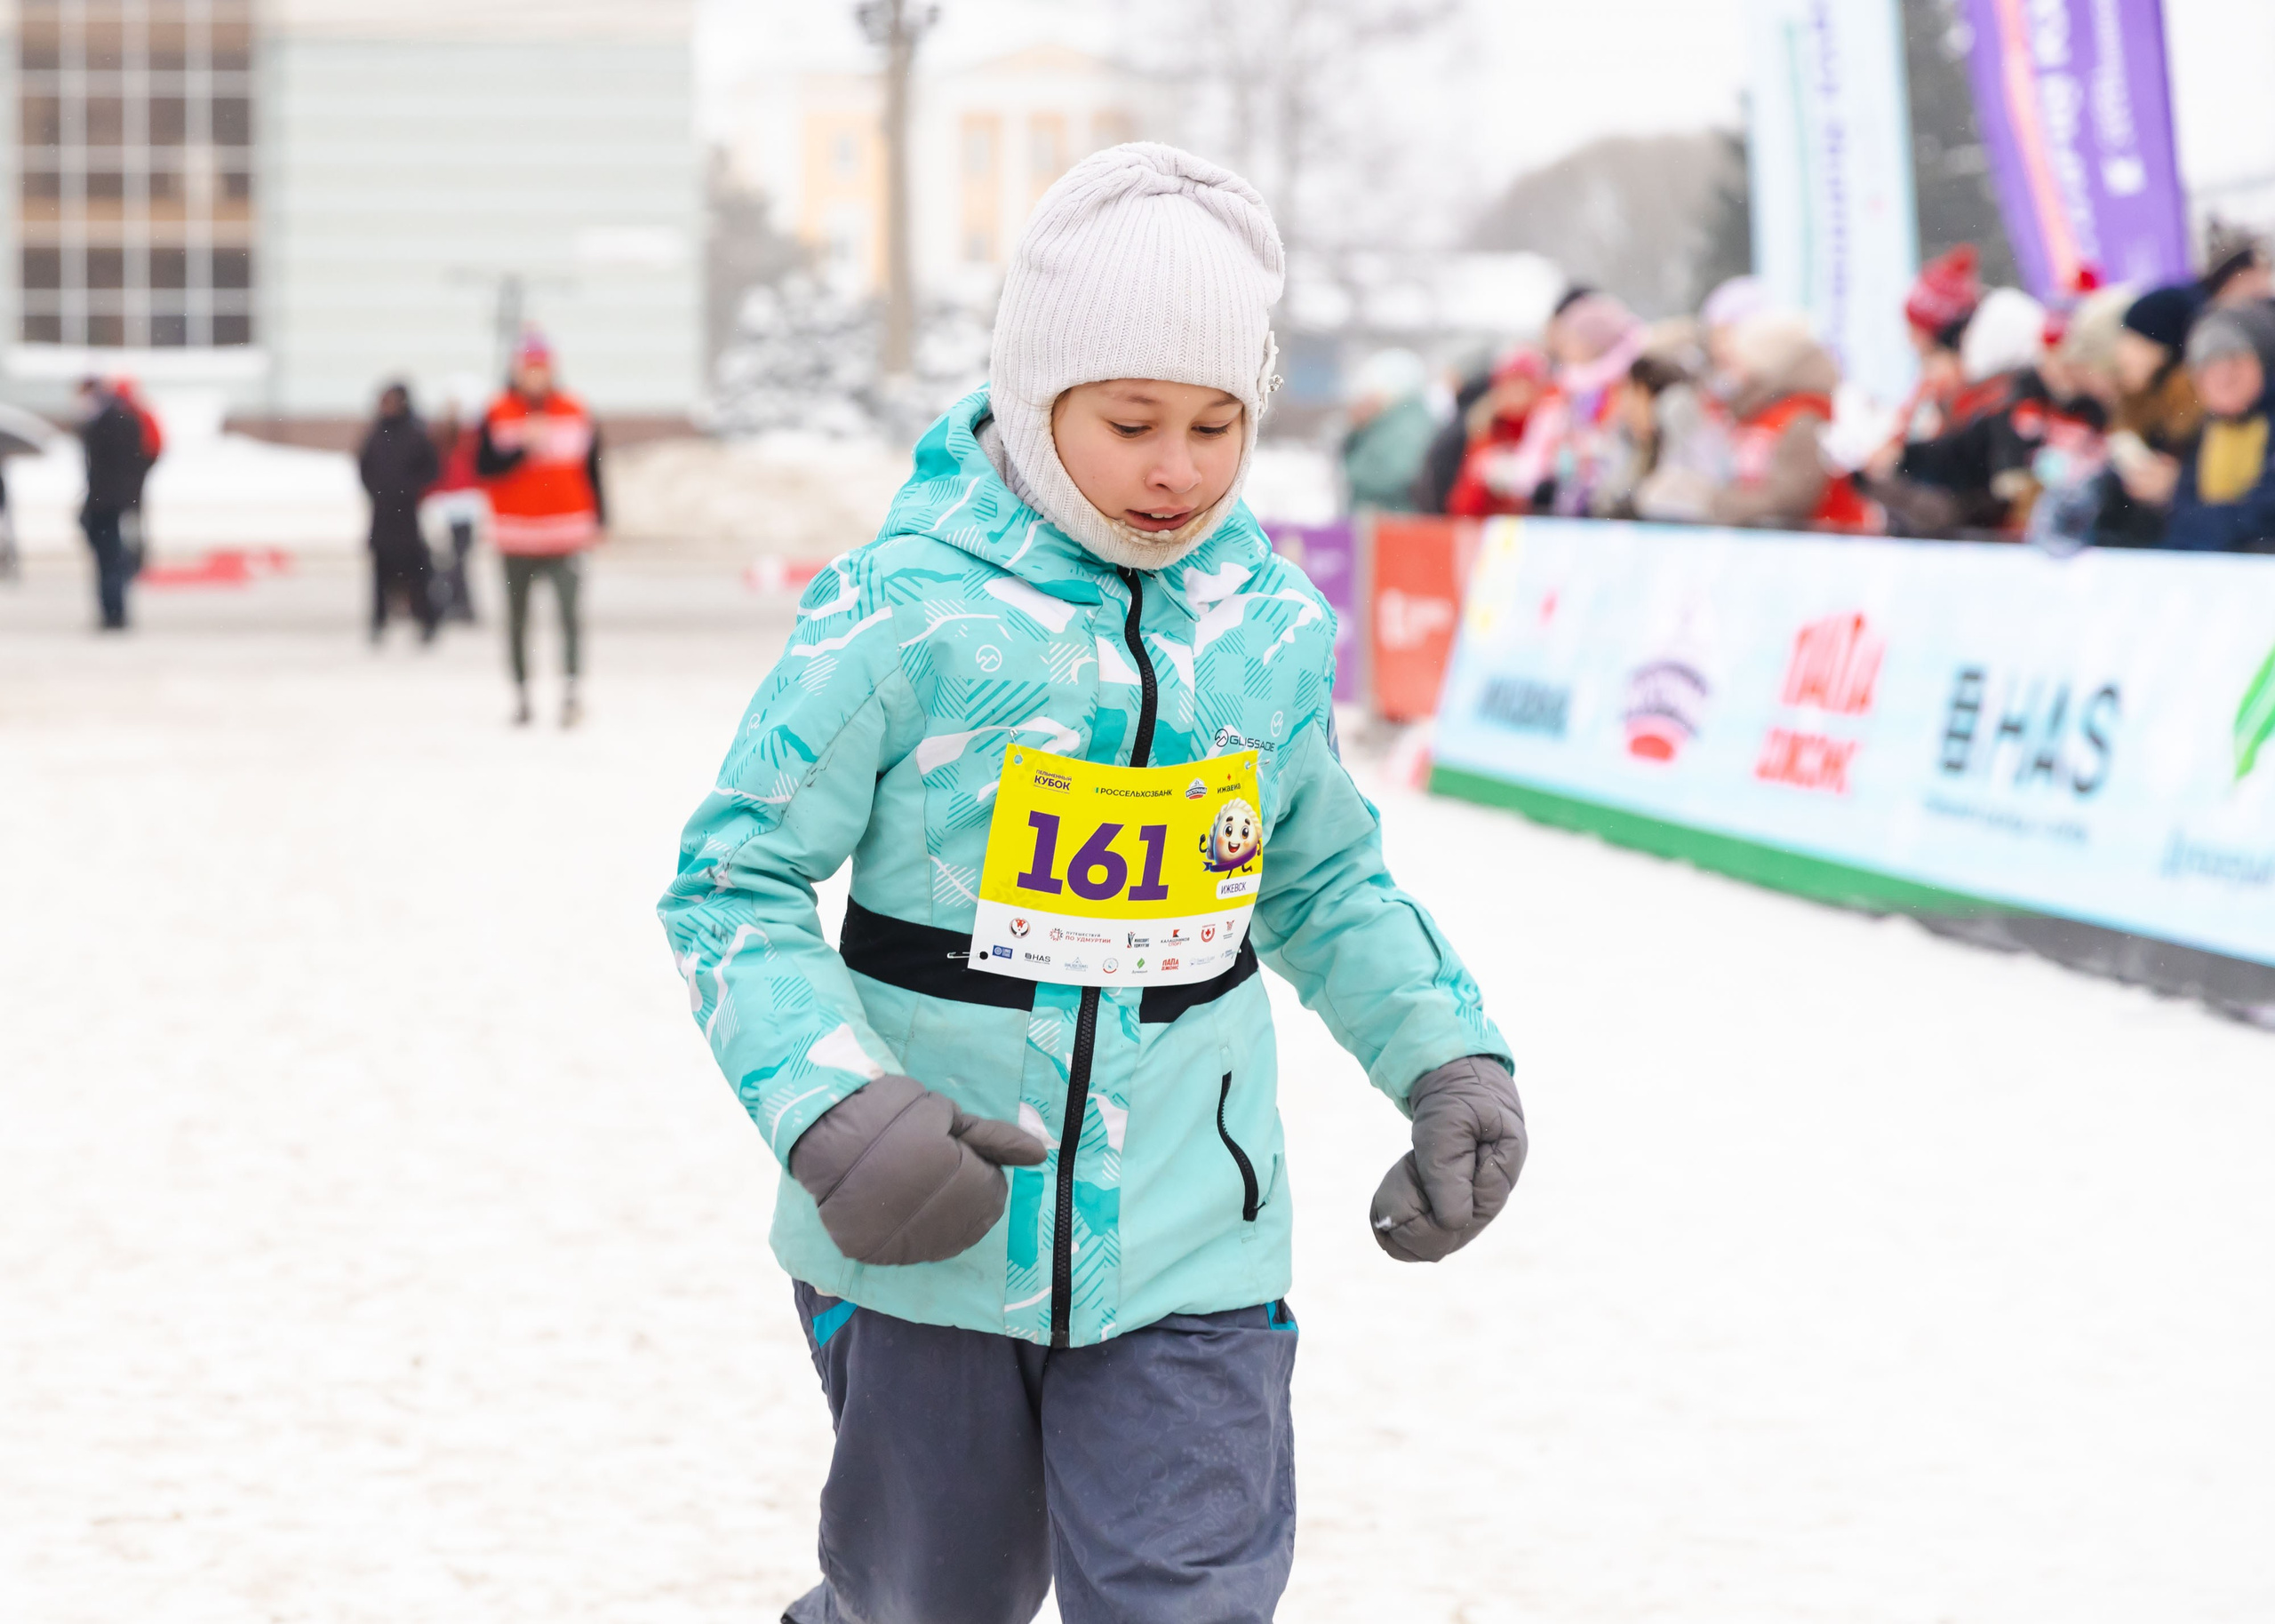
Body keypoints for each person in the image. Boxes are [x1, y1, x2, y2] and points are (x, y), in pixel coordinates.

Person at [658, 143, 1521, 1624]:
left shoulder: (1266, 628)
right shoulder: (902, 610)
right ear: (1036, 396)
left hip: (1196, 1237)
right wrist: (832, 1105)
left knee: (1184, 1599)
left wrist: (1450, 1058)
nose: (1177, 465)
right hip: (931, 1230)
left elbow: (1323, 883)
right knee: (927, 1600)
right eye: (1131, 421)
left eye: (1216, 422)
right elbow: (732, 880)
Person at [477, 330, 604, 726]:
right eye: (528, 368)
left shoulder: (575, 409)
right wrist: (519, 450)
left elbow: (593, 469)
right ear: (516, 369)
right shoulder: (497, 412)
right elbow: (482, 468)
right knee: (517, 620)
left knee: (569, 618)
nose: (535, 376)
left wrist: (602, 519)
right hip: (515, 538)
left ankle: (570, 693)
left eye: (542, 368)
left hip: (567, 536)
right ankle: (522, 696)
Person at [1707, 314, 1876, 532]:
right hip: (1790, 547)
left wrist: (1715, 503)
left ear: (1764, 366)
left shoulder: (1802, 418)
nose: (1730, 375)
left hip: (1821, 549)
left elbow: (1791, 501)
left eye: (1736, 363)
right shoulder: (1762, 416)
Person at [2093, 283, 2208, 547]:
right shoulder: (2135, 408)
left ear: (2165, 351)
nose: (2121, 354)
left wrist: (2179, 489)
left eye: (2135, 340)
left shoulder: (2202, 417)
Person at [2162, 304, 2275, 552]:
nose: (2223, 374)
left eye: (2235, 359)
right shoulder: (2199, 430)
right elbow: (2180, 517)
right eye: (2208, 363)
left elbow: (2264, 516)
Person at [357, 381, 442, 643]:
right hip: (382, 516)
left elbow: (432, 468)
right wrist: (378, 492)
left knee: (417, 572)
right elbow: (364, 468)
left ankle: (425, 621)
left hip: (407, 517)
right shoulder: (376, 435)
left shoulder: (416, 434)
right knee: (380, 573)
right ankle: (379, 622)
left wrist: (411, 490)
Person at [76, 377, 153, 631]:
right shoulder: (122, 421)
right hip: (115, 501)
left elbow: (108, 469)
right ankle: (115, 611)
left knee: (110, 559)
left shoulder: (108, 423)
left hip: (106, 503)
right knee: (113, 557)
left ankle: (114, 613)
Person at [1444, 347, 1553, 517]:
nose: (1516, 394)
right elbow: (1463, 506)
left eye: (1524, 385)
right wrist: (1482, 473)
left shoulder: (1547, 428)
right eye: (1509, 385)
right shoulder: (1487, 428)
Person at [1337, 347, 1437, 512]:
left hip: (1396, 524)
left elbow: (1397, 476)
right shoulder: (1385, 423)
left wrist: (1353, 472)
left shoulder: (1408, 426)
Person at [424, 398, 485, 623]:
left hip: (466, 505)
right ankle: (455, 602)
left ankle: (459, 603)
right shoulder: (438, 439)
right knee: (450, 560)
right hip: (445, 505)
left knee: (459, 559)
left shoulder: (470, 438)